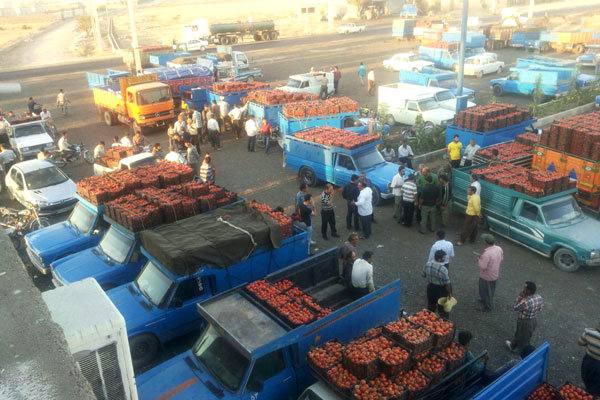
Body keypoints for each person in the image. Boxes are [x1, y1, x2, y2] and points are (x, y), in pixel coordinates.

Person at [506, 281, 544, 353]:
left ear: (529, 291)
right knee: (527, 335)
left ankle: (516, 349)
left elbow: (515, 307)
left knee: (520, 334)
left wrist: (520, 296)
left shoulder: (526, 302)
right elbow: (540, 308)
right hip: (533, 320)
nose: (523, 289)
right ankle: (517, 346)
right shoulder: (539, 297)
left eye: (525, 288)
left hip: (524, 321)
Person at [477, 233, 503, 312]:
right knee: (491, 289)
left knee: (485, 290)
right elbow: (501, 259)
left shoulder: (487, 254)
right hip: (495, 273)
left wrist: (479, 259)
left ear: (486, 242)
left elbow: (483, 266)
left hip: (486, 276)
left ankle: (488, 306)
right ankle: (484, 299)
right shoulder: (499, 248)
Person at [423, 249, 452, 318]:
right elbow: (447, 283)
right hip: (441, 290)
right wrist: (450, 293)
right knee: (442, 308)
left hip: (430, 287)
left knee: (431, 305)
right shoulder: (443, 269)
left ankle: (429, 320)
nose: (445, 259)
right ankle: (443, 322)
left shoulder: (427, 264)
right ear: (439, 259)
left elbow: (423, 275)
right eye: (443, 258)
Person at [578, 323, 600, 396]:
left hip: (589, 363)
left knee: (587, 378)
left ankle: (588, 392)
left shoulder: (589, 333)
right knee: (597, 386)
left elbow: (580, 342)